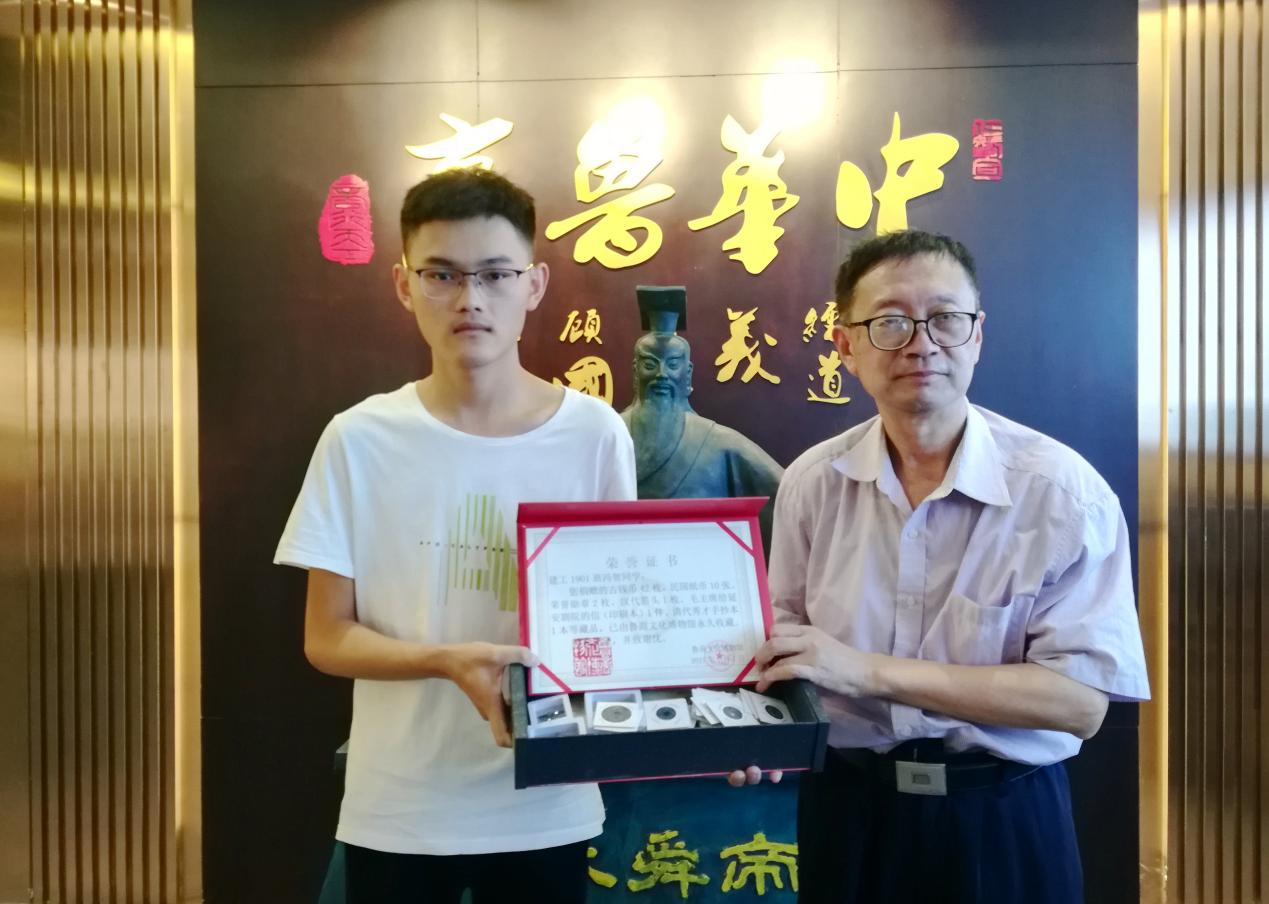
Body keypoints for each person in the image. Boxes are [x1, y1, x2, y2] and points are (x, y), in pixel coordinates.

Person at [751, 230, 1149, 903]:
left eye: (945, 318)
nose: (921, 343)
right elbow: (784, 645)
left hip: (1002, 817)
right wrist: (754, 734)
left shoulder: (1059, 493)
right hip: (848, 811)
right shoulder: (812, 483)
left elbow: (1080, 703)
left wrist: (865, 671)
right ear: (844, 345)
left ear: (976, 335)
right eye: (890, 321)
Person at [275, 168, 636, 904]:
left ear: (534, 284)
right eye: (441, 274)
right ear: (403, 285)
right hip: (400, 808)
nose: (470, 299)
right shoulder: (359, 439)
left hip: (546, 802)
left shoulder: (594, 434)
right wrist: (445, 661)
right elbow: (326, 637)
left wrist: (718, 721)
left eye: (496, 274)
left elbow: (618, 619)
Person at [619, 285, 783, 549]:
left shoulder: (720, 444)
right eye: (650, 364)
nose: (662, 374)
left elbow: (788, 496)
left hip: (702, 567)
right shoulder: (611, 435)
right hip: (625, 561)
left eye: (673, 365)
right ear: (636, 371)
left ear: (688, 373)